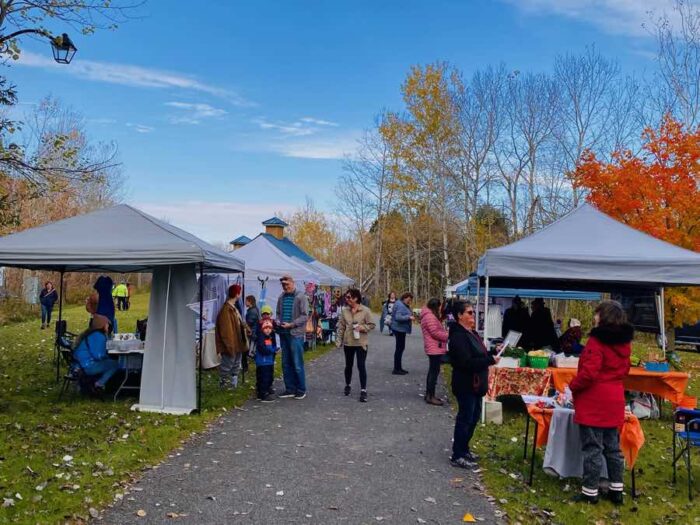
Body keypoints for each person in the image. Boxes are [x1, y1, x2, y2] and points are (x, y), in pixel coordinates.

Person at [570, 301, 633, 505]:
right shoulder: (624, 344)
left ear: (603, 317)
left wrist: (573, 385)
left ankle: (590, 491)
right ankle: (617, 490)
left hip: (594, 400)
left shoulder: (596, 342)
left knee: (593, 448)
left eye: (597, 314)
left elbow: (589, 373)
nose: (594, 317)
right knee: (613, 448)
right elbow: (625, 371)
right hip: (614, 398)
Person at [448, 300, 499, 468]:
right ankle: (458, 454)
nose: (473, 316)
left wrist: (492, 352)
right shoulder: (457, 336)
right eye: (469, 313)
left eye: (473, 312)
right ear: (459, 316)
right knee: (465, 418)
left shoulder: (471, 332)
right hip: (465, 384)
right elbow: (466, 362)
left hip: (476, 384)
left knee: (474, 416)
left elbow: (478, 354)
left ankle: (464, 448)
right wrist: (489, 360)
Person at [336, 288, 375, 402]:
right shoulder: (344, 311)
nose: (346, 299)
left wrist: (362, 328)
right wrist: (338, 341)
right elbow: (341, 326)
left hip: (361, 343)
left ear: (356, 298)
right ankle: (347, 384)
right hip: (349, 343)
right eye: (346, 297)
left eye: (349, 297)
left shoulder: (365, 310)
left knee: (361, 366)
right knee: (348, 366)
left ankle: (363, 390)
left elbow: (372, 325)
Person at [276, 274, 308, 400]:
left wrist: (292, 324)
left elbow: (305, 316)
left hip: (296, 334)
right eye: (283, 285)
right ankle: (289, 388)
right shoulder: (281, 297)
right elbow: (278, 313)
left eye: (287, 284)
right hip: (284, 334)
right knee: (285, 363)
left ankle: (301, 389)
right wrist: (278, 321)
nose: (285, 287)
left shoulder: (301, 297)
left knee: (297, 363)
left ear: (292, 283)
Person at [72, 314, 119, 392]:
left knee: (110, 362)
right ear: (102, 325)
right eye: (107, 324)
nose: (108, 326)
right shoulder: (98, 336)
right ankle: (99, 384)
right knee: (115, 364)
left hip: (78, 364)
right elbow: (98, 355)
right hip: (87, 366)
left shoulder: (91, 333)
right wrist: (110, 355)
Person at [215, 284, 249, 390]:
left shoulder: (233, 308)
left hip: (238, 341)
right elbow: (226, 331)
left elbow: (239, 321)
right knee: (228, 363)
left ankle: (234, 383)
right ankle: (223, 384)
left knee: (236, 362)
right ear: (237, 294)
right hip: (231, 342)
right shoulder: (226, 310)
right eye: (240, 292)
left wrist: (247, 329)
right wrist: (229, 345)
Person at [420, 298, 448, 406]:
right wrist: (448, 335)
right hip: (434, 348)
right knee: (433, 372)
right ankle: (430, 396)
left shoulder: (428, 315)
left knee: (433, 372)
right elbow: (435, 332)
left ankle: (430, 394)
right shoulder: (430, 317)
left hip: (434, 347)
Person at [255, 318, 279, 402]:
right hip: (263, 362)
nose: (268, 330)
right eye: (266, 328)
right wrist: (272, 351)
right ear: (263, 329)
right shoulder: (261, 338)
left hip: (269, 362)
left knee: (269, 376)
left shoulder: (270, 337)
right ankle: (262, 394)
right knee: (263, 378)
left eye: (269, 328)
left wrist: (275, 349)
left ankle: (266, 390)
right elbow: (262, 349)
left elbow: (272, 346)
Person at [391, 292, 414, 374]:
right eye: (409, 299)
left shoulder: (400, 303)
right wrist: (409, 317)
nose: (410, 301)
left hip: (400, 329)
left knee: (400, 348)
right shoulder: (400, 305)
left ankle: (399, 367)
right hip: (399, 329)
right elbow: (398, 317)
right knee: (399, 349)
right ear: (405, 297)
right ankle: (396, 369)